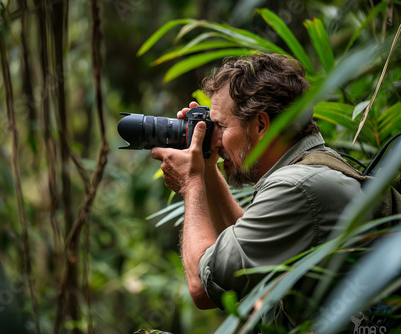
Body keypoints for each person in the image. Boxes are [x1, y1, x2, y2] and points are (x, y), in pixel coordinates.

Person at [150, 53, 362, 327]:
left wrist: (191, 185)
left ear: (261, 125)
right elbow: (249, 252)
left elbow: (203, 287)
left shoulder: (296, 187)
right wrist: (207, 167)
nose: (214, 138)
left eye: (221, 126)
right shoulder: (317, 168)